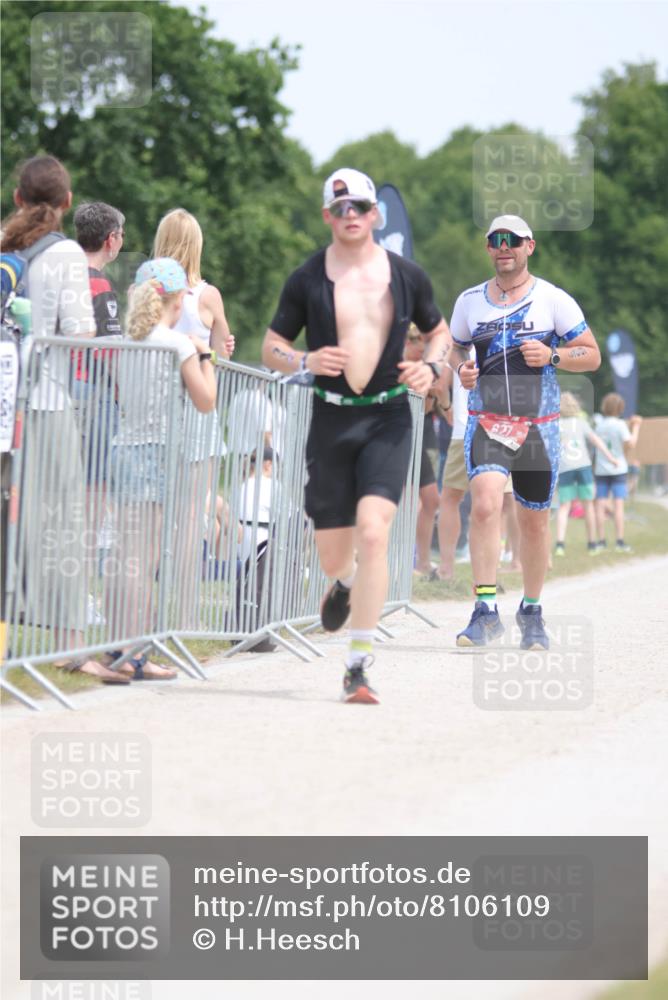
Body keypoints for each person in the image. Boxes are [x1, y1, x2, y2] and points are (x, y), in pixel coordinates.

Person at [262, 167, 450, 704]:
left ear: (375, 215)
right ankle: (342, 583)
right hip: (332, 417)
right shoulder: (306, 278)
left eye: (360, 208)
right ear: (327, 216)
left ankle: (358, 664)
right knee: (332, 555)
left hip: (389, 416)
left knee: (376, 533)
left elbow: (438, 334)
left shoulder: (407, 275)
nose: (351, 217)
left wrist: (432, 369)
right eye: (340, 209)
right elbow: (271, 345)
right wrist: (304, 358)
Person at [447, 214, 601, 650]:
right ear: (488, 248)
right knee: (484, 504)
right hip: (489, 422)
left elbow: (590, 356)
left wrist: (552, 356)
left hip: (539, 426)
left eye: (512, 240)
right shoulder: (470, 301)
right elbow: (455, 344)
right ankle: (485, 610)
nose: (503, 247)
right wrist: (461, 367)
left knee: (534, 524)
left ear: (529, 246)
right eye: (496, 240)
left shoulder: (553, 300)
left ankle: (531, 610)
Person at [1, 155, 127, 683]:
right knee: (62, 526)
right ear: (67, 203)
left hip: (3, 397)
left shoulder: (6, 248)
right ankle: (71, 648)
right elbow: (78, 332)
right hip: (44, 402)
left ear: (18, 198)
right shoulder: (66, 256)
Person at [107, 257, 216, 679]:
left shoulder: (125, 342)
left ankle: (118, 644)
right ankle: (135, 652)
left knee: (124, 555)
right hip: (155, 452)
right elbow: (206, 401)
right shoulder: (177, 344)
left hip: (124, 446)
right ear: (177, 301)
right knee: (144, 557)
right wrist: (207, 355)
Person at [404, 325, 446, 578]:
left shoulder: (427, 366)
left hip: (424, 431)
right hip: (399, 432)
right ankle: (399, 558)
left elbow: (431, 406)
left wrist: (433, 390)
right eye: (422, 347)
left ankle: (423, 560)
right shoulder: (399, 364)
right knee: (404, 500)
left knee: (431, 499)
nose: (425, 353)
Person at [554, 391, 618, 556]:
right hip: (583, 466)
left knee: (564, 506)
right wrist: (611, 458)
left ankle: (560, 544)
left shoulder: (556, 424)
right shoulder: (581, 422)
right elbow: (596, 442)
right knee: (588, 505)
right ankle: (591, 543)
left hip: (565, 468)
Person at [593, 392, 642, 553]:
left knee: (600, 505)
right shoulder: (620, 425)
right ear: (620, 408)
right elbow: (631, 443)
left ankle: (600, 541)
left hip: (601, 469)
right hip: (618, 468)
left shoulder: (599, 425)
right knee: (618, 505)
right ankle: (619, 541)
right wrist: (636, 426)